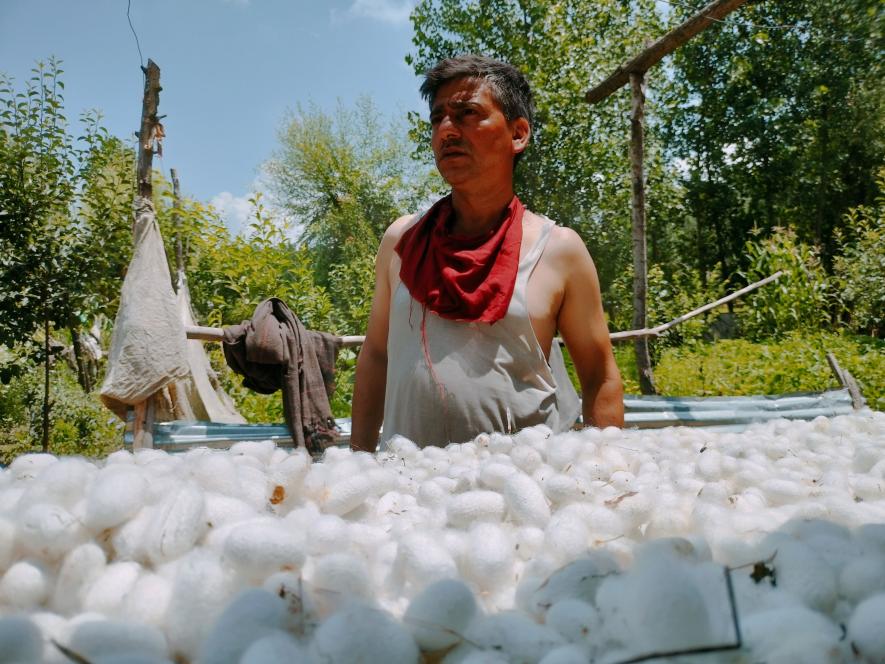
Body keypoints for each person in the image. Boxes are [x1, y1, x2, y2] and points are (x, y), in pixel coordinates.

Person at [351, 54, 623, 452]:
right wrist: (357, 465)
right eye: (438, 118)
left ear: (518, 134)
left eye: (467, 114)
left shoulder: (558, 250)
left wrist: (606, 476)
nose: (446, 129)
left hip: (526, 494)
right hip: (407, 495)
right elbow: (376, 356)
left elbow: (600, 375)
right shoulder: (401, 242)